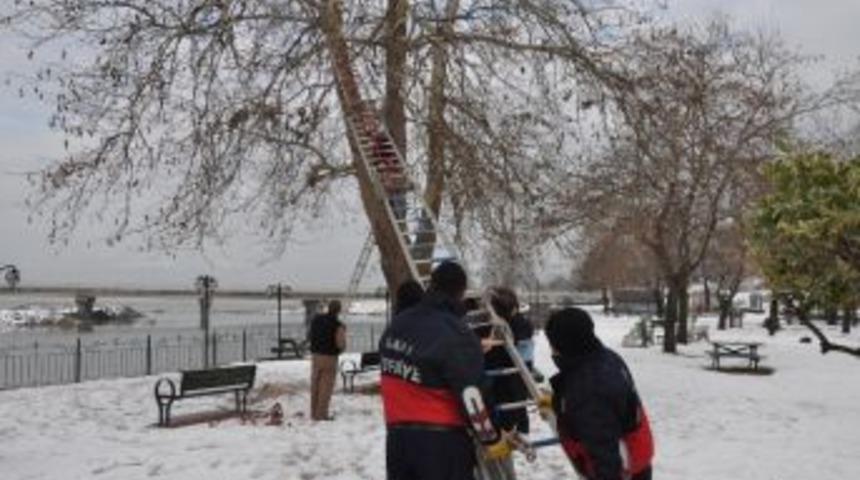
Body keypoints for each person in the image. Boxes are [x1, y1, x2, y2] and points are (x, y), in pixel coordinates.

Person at [379, 262, 510, 480]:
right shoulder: (456, 333)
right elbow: (472, 395)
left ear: (432, 285)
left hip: (397, 440)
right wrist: (491, 438)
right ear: (460, 292)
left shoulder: (396, 326)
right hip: (442, 443)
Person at [543, 308, 655, 480]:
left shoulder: (588, 388)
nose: (551, 348)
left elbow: (604, 451)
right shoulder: (605, 357)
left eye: (552, 342)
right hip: (635, 455)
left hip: (623, 468)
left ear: (563, 344)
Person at [309, 300, 346, 421]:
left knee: (315, 384)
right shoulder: (338, 325)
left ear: (328, 308)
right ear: (338, 310)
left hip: (315, 356)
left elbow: (310, 335)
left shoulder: (316, 320)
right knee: (326, 386)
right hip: (329, 357)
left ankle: (313, 412)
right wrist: (340, 350)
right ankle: (321, 414)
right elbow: (340, 344)